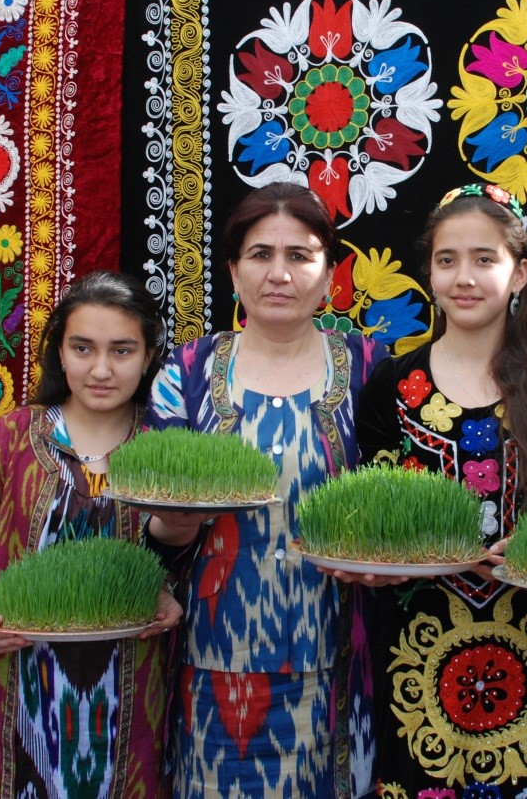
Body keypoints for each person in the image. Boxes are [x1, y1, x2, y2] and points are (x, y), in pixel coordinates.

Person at [353, 183, 527, 799]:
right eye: (447, 260)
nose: (464, 277)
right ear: (429, 272)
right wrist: (374, 563)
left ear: (519, 275)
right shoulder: (393, 384)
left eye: (484, 259)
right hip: (414, 650)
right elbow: (373, 517)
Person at [142, 182, 387, 799]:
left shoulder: (370, 371)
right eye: (259, 255)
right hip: (214, 663)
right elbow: (150, 528)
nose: (279, 274)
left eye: (300, 256)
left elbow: (401, 502)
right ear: (232, 269)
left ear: (331, 272)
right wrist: (172, 525)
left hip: (337, 660)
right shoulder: (188, 374)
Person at [0, 271, 181, 799]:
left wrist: (173, 594)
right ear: (60, 354)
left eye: (121, 350)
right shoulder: (14, 435)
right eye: (82, 348)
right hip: (18, 684)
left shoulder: (167, 443)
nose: (101, 369)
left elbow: (195, 551)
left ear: (147, 356)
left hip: (130, 691)